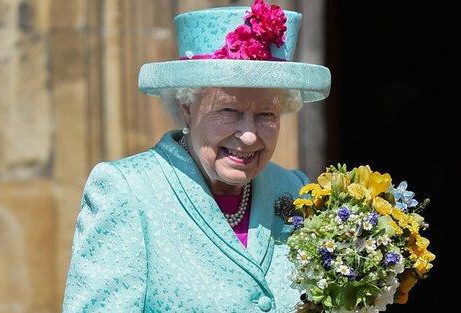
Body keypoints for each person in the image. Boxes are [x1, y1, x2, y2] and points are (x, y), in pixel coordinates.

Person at [62, 0, 331, 312]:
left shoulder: (295, 190)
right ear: (186, 108)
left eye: (266, 114)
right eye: (229, 110)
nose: (248, 135)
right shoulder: (128, 192)